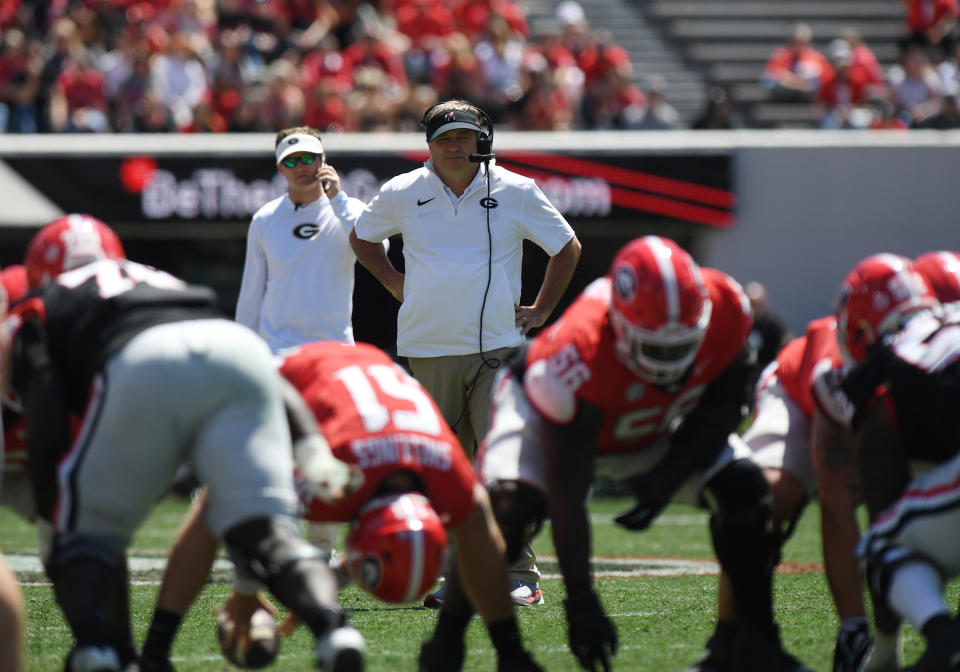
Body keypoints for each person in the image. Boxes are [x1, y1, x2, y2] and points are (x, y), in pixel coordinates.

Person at [427, 235, 809, 672]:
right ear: (619, 324)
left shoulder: (726, 307)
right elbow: (568, 492)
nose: (670, 361)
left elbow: (723, 408)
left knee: (745, 488)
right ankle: (450, 643)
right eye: (656, 347)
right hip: (552, 418)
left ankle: (745, 645)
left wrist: (669, 474)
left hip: (649, 420)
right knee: (509, 509)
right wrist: (581, 601)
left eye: (681, 345)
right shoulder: (580, 350)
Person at [9, 213, 365, 672]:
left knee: (86, 538)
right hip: (236, 352)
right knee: (266, 532)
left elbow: (47, 417)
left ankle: (97, 650)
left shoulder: (40, 304)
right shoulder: (155, 280)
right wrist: (311, 446)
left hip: (139, 361)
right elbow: (256, 367)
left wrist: (55, 504)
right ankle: (333, 629)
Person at [141, 340, 544, 672]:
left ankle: (156, 653)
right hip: (283, 377)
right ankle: (153, 654)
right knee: (224, 494)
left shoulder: (448, 479)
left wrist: (497, 649)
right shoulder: (330, 477)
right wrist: (245, 593)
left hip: (372, 368)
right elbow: (217, 510)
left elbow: (479, 544)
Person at [347, 99, 581, 604]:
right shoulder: (402, 190)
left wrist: (540, 310)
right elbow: (363, 239)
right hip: (427, 347)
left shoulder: (516, 190)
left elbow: (567, 247)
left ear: (483, 140)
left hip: (499, 346)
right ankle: (456, 575)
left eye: (463, 137)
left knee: (499, 466)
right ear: (429, 144)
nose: (455, 147)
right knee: (443, 469)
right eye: (444, 138)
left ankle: (519, 576)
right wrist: (393, 282)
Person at [698, 315, 876, 672]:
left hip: (865, 403)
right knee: (766, 497)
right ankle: (728, 642)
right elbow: (834, 496)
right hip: (793, 392)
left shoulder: (931, 358)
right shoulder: (834, 366)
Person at [233, 125, 369, 563]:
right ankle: (280, 544)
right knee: (276, 455)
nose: (303, 167)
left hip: (334, 356)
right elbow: (251, 295)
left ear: (323, 158)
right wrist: (243, 357)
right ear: (280, 168)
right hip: (277, 356)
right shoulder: (265, 219)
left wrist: (339, 199)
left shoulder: (350, 209)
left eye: (309, 157)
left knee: (325, 454)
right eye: (292, 161)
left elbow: (375, 245)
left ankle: (322, 549)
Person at [824, 253, 960, 671]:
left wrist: (883, 645)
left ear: (861, 326)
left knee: (881, 543)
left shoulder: (887, 371)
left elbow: (882, 503)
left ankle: (944, 640)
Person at [745, 281, 791, 384]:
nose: (755, 308)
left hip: (766, 375)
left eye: (758, 304)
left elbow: (787, 342)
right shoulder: (741, 324)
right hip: (744, 377)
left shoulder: (772, 324)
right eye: (752, 303)